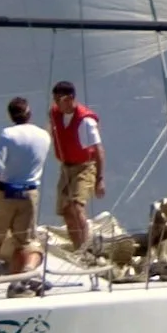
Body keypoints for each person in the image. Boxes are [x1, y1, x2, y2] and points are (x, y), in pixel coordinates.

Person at [0, 95, 52, 281]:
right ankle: (24, 272)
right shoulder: (44, 135)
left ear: (11, 116)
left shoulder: (7, 134)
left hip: (4, 190)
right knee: (25, 239)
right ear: (29, 113)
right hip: (29, 192)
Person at [48, 81, 104, 251]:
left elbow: (99, 149)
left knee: (76, 206)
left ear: (71, 98)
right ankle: (77, 246)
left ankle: (86, 248)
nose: (57, 103)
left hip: (85, 166)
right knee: (66, 210)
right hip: (66, 167)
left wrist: (99, 179)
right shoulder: (55, 113)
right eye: (55, 100)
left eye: (61, 99)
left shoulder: (86, 120)